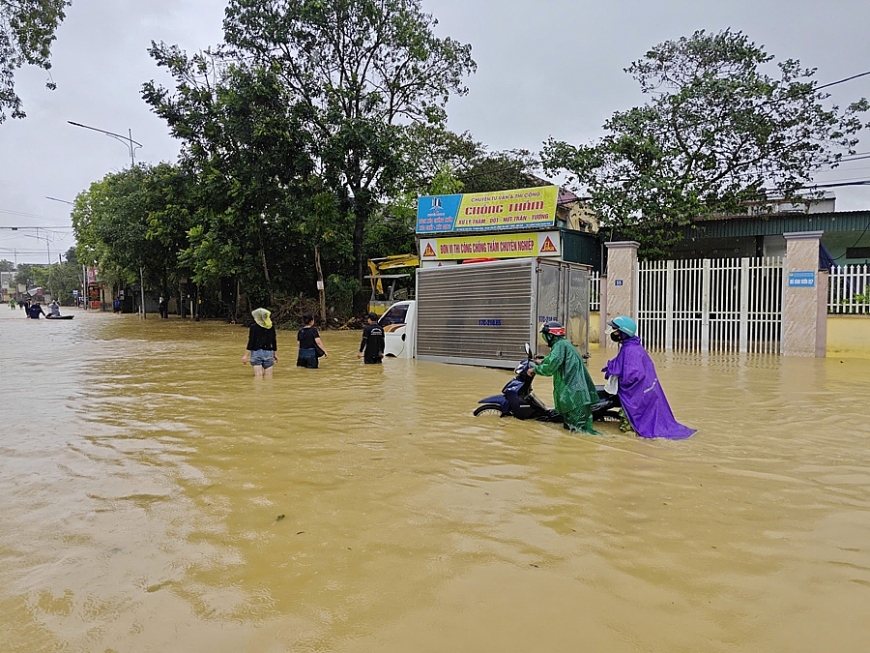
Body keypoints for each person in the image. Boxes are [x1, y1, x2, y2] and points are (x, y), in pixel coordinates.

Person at [603, 316, 696, 440]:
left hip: (640, 392)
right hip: (649, 388)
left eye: (615, 330)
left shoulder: (630, 350)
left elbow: (632, 375)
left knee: (632, 426)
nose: (613, 333)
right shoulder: (633, 346)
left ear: (622, 333)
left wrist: (619, 381)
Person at [529, 320, 600, 434]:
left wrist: (535, 369)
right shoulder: (563, 344)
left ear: (551, 335)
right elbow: (553, 359)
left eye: (545, 335)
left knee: (581, 431)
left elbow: (551, 367)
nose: (544, 338)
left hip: (573, 394)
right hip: (574, 392)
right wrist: (541, 361)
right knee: (572, 429)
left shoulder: (560, 345)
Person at [241, 308, 278, 378]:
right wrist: (275, 354)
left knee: (258, 376)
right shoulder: (271, 327)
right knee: (269, 377)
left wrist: (245, 355)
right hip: (269, 353)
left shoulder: (253, 327)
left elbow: (251, 342)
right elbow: (274, 341)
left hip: (256, 353)